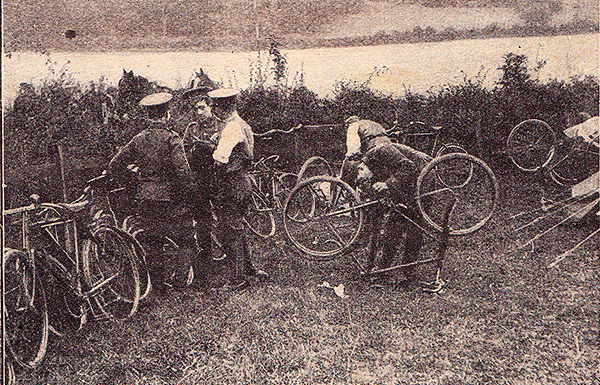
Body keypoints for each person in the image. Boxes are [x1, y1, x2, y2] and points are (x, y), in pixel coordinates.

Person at [108, 92, 198, 293]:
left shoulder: (138, 139)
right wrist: (191, 194)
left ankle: (158, 288)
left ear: (148, 115)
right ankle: (180, 282)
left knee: (153, 242)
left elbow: (114, 165)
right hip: (170, 199)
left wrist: (135, 182)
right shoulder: (172, 139)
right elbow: (183, 172)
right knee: (186, 238)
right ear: (167, 114)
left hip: (146, 199)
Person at [343, 116, 432, 281]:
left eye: (362, 177)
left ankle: (407, 272)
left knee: (411, 225)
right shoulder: (371, 157)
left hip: (423, 176)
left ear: (363, 167)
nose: (363, 181)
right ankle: (383, 271)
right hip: (408, 179)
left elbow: (408, 167)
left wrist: (388, 185)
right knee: (394, 225)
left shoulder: (380, 150)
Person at [197, 88, 269, 290]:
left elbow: (220, 159)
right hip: (242, 182)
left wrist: (210, 150)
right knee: (237, 227)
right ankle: (249, 270)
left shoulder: (231, 127)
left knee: (229, 231)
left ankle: (238, 280)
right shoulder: (241, 124)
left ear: (222, 107)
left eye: (216, 105)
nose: (215, 109)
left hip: (231, 183)